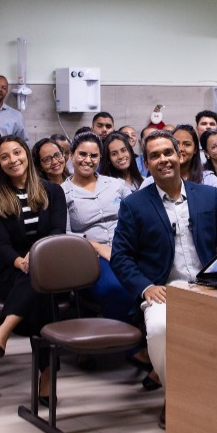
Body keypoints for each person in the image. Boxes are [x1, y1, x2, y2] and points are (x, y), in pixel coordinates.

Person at [111, 130, 217, 426]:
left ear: (180, 156)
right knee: (160, 328)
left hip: (210, 285)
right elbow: (120, 256)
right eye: (154, 156)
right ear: (146, 164)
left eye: (168, 152)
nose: (163, 160)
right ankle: (175, 396)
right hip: (164, 289)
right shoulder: (134, 205)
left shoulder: (207, 195)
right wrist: (145, 287)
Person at [0, 135, 67, 404]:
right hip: (12, 271)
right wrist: (20, 261)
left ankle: (3, 331)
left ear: (27, 156)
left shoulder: (52, 191)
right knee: (41, 292)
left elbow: (57, 230)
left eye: (17, 153)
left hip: (48, 262)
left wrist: (37, 254)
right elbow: (0, 244)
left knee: (40, 278)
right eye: (4, 157)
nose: (13, 160)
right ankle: (47, 374)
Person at [62, 132, 134, 321]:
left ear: (100, 158)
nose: (88, 160)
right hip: (92, 257)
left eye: (94, 156)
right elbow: (65, 234)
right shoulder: (62, 193)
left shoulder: (116, 185)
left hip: (127, 249)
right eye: (82, 154)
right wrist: (98, 247)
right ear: (71, 155)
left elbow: (137, 214)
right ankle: (127, 338)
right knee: (116, 289)